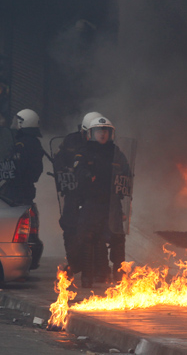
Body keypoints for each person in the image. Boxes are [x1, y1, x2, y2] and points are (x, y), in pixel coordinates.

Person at [73, 117, 130, 288]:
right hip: (92, 203)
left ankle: (120, 278)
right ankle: (87, 278)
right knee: (89, 239)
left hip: (112, 204)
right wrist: (87, 175)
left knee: (117, 238)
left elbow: (127, 173)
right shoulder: (85, 152)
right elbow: (78, 169)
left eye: (105, 131)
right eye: (99, 131)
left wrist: (124, 186)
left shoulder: (116, 152)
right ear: (91, 133)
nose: (102, 134)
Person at [53, 111, 103, 278]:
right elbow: (59, 159)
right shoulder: (71, 140)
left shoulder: (103, 143)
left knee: (96, 228)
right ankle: (74, 262)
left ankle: (98, 266)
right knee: (69, 225)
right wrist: (62, 171)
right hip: (73, 191)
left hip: (93, 194)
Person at [0, 109, 45, 205]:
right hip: (27, 189)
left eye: (17, 121)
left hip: (17, 190)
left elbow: (17, 167)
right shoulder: (35, 142)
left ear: (22, 123)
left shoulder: (22, 144)